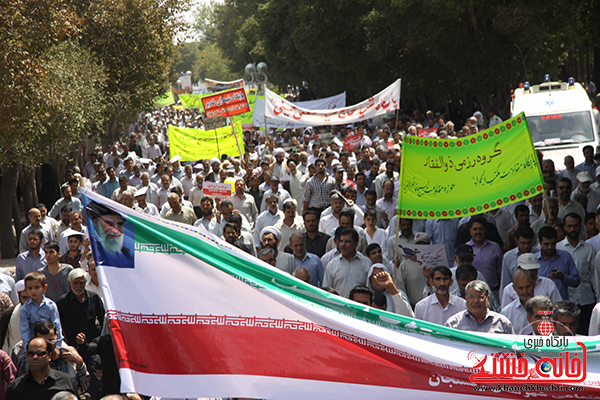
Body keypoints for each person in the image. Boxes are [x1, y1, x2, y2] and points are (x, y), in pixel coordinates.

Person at [557, 212, 596, 334]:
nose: (572, 229)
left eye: (575, 226)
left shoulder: (589, 249)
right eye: (569, 226)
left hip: (586, 300)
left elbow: (594, 276)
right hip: (567, 302)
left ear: (580, 227)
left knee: (586, 334)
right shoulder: (558, 249)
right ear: (564, 227)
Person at [5, 338, 77, 400]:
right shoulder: (16, 387)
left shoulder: (66, 382)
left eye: (40, 353)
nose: (35, 357)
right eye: (31, 353)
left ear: (50, 356)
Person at [56, 269, 105, 351]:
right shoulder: (62, 301)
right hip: (71, 347)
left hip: (92, 346)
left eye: (81, 283)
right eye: (75, 283)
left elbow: (103, 320)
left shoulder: (94, 298)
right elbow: (58, 325)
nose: (78, 286)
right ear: (69, 282)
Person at [444, 280, 514, 334]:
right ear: (466, 299)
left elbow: (513, 348)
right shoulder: (453, 324)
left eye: (480, 297)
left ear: (488, 298)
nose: (476, 301)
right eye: (471, 297)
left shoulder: (502, 323)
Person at [19, 272, 64, 352]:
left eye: (37, 287)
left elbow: (57, 325)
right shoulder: (25, 309)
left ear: (45, 288)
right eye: (30, 288)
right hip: (34, 343)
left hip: (52, 341)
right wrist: (29, 348)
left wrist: (57, 346)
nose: (33, 291)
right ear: (25, 289)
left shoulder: (51, 305)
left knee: (67, 356)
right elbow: (25, 331)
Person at [322, 229, 372, 298]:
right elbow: (326, 292)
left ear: (356, 244)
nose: (343, 244)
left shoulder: (366, 263)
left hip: (360, 307)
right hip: (339, 306)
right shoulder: (332, 265)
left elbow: (371, 289)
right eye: (341, 241)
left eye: (347, 241)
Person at [536, 226, 580, 301]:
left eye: (553, 244)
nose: (550, 247)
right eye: (546, 244)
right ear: (540, 242)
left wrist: (563, 277)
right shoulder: (534, 261)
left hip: (561, 305)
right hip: (541, 307)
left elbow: (576, 281)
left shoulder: (565, 257)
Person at [86, 202, 134, 269]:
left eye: (120, 224)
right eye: (110, 224)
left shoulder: (128, 253)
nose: (115, 231)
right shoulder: (94, 249)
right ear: (96, 223)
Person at [466, 216, 503, 293]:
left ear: (485, 230)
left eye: (481, 229)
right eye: (475, 229)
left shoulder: (495, 247)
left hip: (494, 290)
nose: (478, 232)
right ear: (470, 231)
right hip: (472, 292)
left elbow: (501, 272)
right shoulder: (465, 248)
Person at [500, 269, 535, 334]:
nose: (525, 291)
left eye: (528, 287)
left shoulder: (545, 308)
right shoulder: (507, 312)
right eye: (520, 288)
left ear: (534, 284)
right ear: (514, 288)